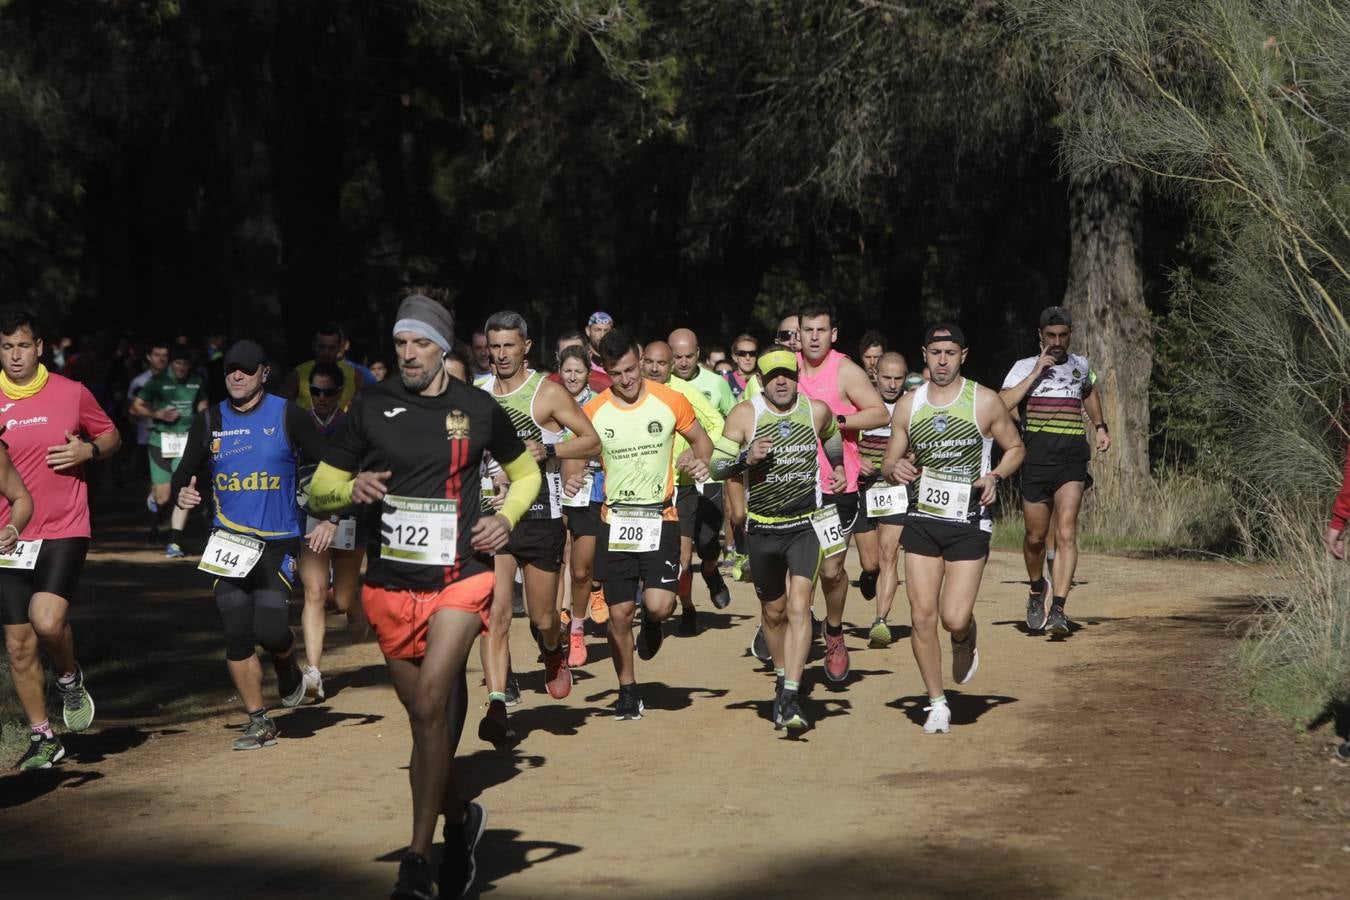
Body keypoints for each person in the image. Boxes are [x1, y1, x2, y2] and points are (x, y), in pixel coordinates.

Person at [309, 294, 540, 899]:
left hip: (461, 577)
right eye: (400, 344)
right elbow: (320, 491)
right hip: (390, 587)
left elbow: (527, 474)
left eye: (419, 344)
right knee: (423, 720)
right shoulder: (372, 406)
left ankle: (417, 858)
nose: (408, 355)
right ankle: (460, 823)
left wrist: (507, 517)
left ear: (442, 347)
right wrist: (348, 489)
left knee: (435, 700)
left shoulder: (478, 409)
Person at [171, 340, 332, 751]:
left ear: (264, 372)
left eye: (245, 369)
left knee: (271, 629)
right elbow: (184, 473)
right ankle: (259, 721)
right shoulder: (209, 422)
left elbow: (330, 462)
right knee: (236, 627)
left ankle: (286, 661)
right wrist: (183, 495)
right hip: (227, 542)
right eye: (230, 370)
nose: (236, 376)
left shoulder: (286, 414)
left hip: (277, 543)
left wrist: (331, 514)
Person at [882, 324, 1024, 734]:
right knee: (922, 617)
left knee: (952, 617)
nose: (942, 360)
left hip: (968, 520)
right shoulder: (909, 405)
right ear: (923, 354)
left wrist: (995, 476)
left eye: (950, 352)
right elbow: (890, 461)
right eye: (934, 352)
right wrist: (896, 469)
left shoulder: (983, 401)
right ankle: (937, 701)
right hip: (923, 518)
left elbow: (1016, 448)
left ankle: (965, 637)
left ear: (963, 354)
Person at [563, 329, 712, 720]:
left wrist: (700, 461)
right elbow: (574, 457)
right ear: (605, 371)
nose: (626, 380)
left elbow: (702, 440)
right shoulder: (594, 410)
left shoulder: (670, 401)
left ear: (641, 358)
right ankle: (627, 689)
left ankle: (653, 626)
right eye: (616, 374)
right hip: (615, 521)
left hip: (660, 517)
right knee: (617, 615)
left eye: (631, 370)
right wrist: (572, 476)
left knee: (659, 606)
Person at [0, 307, 118, 771]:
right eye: (6, 347)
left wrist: (88, 449)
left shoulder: (71, 393)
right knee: (17, 644)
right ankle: (43, 737)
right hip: (10, 535)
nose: (14, 355)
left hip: (65, 525)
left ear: (40, 347)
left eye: (23, 345)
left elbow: (110, 436)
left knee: (47, 622)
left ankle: (69, 677)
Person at [478, 311, 600, 747]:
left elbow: (591, 439)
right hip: (490, 518)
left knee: (543, 616)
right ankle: (496, 704)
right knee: (495, 614)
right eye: (495, 346)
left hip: (539, 514)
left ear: (525, 346)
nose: (502, 354)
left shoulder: (546, 394)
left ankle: (553, 650)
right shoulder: (475, 393)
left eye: (509, 345)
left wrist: (548, 446)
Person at [714, 348, 841, 732]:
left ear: (797, 375)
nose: (781, 382)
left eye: (787, 374)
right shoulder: (745, 414)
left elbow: (832, 435)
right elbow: (718, 466)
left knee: (801, 606)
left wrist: (836, 468)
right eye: (772, 377)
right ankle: (782, 673)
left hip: (806, 525)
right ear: (762, 382)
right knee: (774, 612)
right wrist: (745, 459)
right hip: (763, 528)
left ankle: (790, 692)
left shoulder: (815, 411)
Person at [999, 306, 1109, 635]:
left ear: (1070, 334)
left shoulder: (1081, 365)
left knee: (1065, 532)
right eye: (1051, 336)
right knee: (1035, 538)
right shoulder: (1021, 368)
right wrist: (1035, 373)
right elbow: (1002, 404)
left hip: (1072, 458)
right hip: (1035, 459)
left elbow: (1089, 393)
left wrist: (1100, 426)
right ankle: (1037, 589)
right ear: (1040, 336)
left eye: (1063, 336)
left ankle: (1059, 608)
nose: (1057, 342)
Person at [795, 301, 889, 681]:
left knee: (832, 570)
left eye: (821, 330)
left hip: (836, 484)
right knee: (794, 571)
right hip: (790, 487)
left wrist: (836, 420)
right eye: (808, 330)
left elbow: (880, 413)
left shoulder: (845, 370)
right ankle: (782, 626)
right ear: (797, 334)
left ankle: (833, 631)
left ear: (832, 334)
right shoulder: (785, 370)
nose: (814, 337)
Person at [642, 341, 730, 634]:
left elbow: (718, 425)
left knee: (688, 554)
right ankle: (670, 609)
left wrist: (697, 451)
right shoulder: (630, 391)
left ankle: (700, 583)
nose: (655, 369)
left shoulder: (685, 393)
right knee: (649, 554)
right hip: (642, 488)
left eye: (662, 364)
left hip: (683, 486)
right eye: (650, 362)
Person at [294, 361, 367, 701]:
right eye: (315, 391)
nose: (320, 398)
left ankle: (353, 604)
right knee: (314, 592)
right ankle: (314, 673)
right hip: (308, 518)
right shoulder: (297, 422)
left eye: (327, 392)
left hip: (349, 518)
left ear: (339, 393)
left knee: (339, 598)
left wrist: (336, 518)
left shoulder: (350, 424)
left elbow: (360, 476)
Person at [130, 345, 208, 558]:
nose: (182, 367)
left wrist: (205, 425)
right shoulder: (157, 382)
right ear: (172, 364)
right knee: (163, 497)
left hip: (186, 442)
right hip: (160, 442)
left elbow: (203, 407)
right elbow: (134, 407)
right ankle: (154, 499)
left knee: (183, 489)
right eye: (178, 363)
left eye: (185, 364)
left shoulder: (197, 381)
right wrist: (158, 414)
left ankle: (174, 543)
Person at [854, 352, 909, 647]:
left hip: (892, 489)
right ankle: (868, 573)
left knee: (890, 554)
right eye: (886, 377)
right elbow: (836, 438)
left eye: (898, 378)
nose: (891, 384)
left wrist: (912, 457)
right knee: (872, 561)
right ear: (874, 374)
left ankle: (880, 622)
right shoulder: (860, 403)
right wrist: (854, 459)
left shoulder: (911, 405)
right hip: (861, 488)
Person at [556, 344, 607, 663]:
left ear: (589, 373)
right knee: (561, 554)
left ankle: (576, 630)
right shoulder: (548, 402)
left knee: (580, 565)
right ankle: (559, 619)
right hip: (550, 488)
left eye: (578, 371)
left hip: (590, 488)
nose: (573, 376)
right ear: (559, 372)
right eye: (567, 370)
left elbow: (606, 449)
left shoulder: (600, 406)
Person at [281, 322, 371, 411]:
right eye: (322, 347)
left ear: (339, 348)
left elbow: (364, 408)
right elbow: (278, 407)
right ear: (314, 346)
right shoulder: (298, 375)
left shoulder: (354, 375)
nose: (326, 353)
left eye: (331, 348)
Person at [127, 340, 169, 519]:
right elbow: (130, 410)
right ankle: (153, 521)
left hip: (173, 439)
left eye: (165, 355)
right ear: (149, 357)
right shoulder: (140, 382)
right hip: (147, 438)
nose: (161, 359)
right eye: (157, 355)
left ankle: (163, 517)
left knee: (170, 483)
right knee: (150, 483)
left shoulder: (177, 379)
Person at [670, 328, 735, 417]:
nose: (684, 363)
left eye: (689, 356)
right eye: (678, 357)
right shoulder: (662, 384)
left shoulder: (717, 382)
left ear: (698, 352)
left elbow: (736, 418)